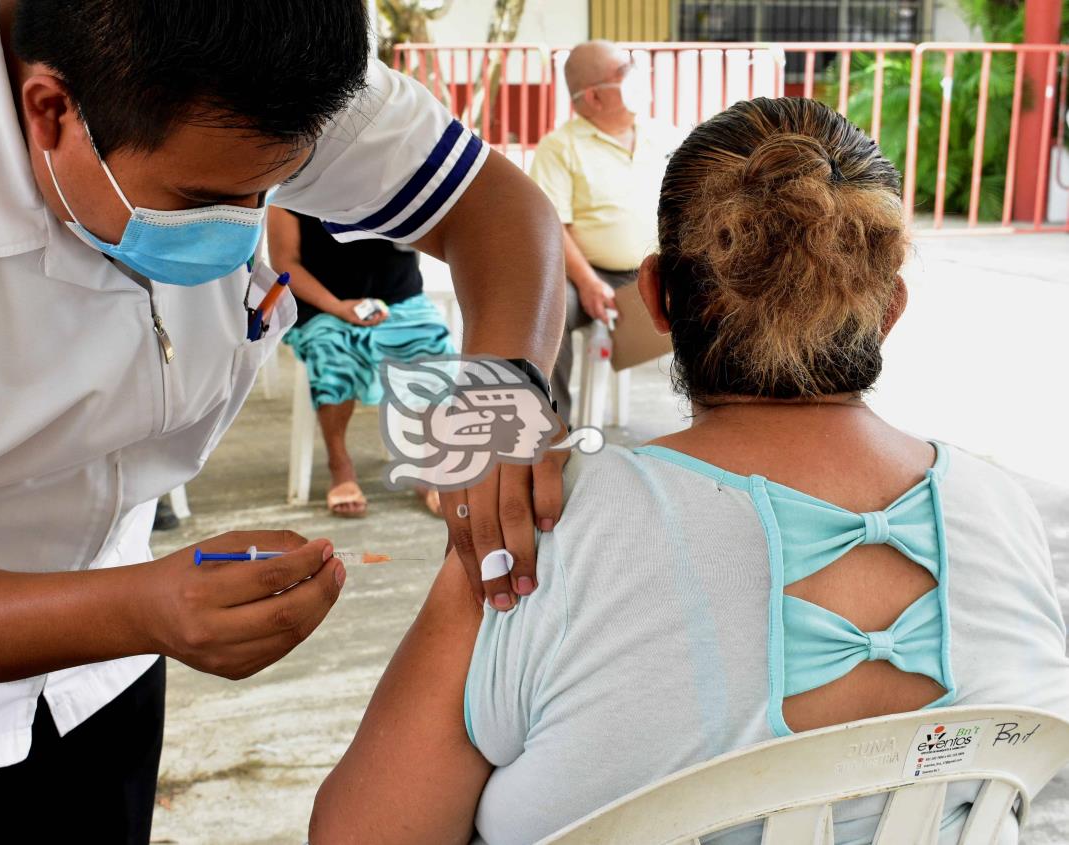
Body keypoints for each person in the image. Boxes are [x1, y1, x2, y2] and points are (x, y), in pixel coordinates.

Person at [309, 98, 1069, 844]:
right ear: (891, 307)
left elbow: (363, 832)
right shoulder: (1001, 509)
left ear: (658, 297)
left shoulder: (543, 519)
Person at [0, 0, 565, 840]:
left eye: (274, 188)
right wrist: (140, 607)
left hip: (101, 675)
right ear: (51, 109)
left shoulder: (268, 57)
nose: (242, 227)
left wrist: (499, 398)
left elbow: (498, 210)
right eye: (202, 199)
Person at [529, 40, 681, 424]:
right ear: (594, 96)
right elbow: (552, 227)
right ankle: (554, 430)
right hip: (591, 277)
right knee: (549, 311)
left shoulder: (664, 136)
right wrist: (588, 283)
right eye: (622, 73)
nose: (635, 78)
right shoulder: (559, 148)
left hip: (662, 268)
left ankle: (720, 424)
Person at [266, 208, 454, 518]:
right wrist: (338, 308)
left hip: (399, 298)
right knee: (333, 353)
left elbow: (439, 233)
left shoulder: (394, 171)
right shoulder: (291, 185)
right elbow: (285, 263)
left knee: (438, 349)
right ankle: (340, 466)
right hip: (323, 304)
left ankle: (434, 470)